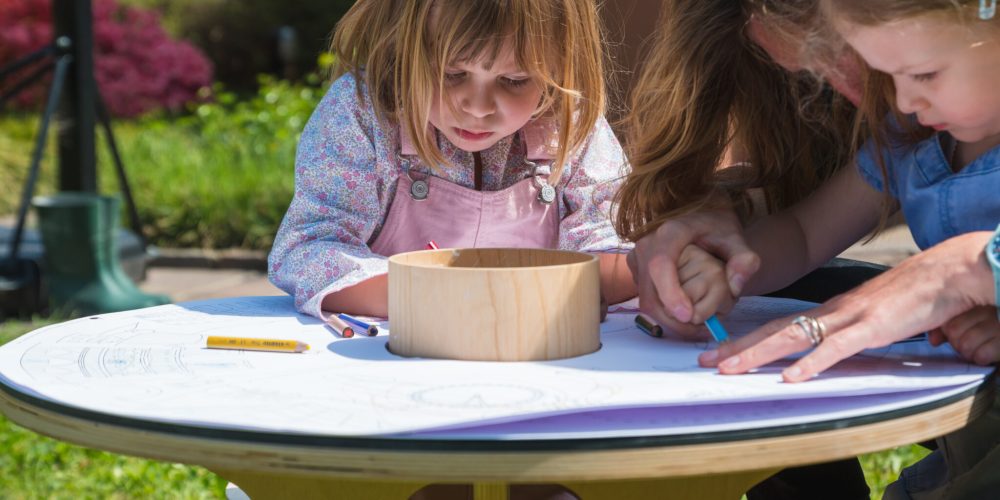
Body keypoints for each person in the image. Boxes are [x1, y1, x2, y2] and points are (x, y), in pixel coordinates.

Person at [620, 1, 1000, 498]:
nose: (902, 101)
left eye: (924, 73)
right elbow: (803, 233)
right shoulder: (908, 139)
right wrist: (727, 262)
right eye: (888, 75)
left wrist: (976, 268)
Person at [268, 0, 636, 324]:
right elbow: (309, 249)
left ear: (559, 66)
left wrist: (650, 268)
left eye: (514, 80)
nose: (478, 107)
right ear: (404, 43)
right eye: (452, 73)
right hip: (394, 359)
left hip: (530, 359)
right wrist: (434, 295)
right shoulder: (366, 113)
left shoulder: (565, 123)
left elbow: (611, 243)